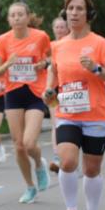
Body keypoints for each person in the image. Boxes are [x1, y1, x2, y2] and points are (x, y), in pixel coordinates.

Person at [43, 0, 105, 210]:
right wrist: (49, 90)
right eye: (70, 8)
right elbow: (54, 75)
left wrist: (97, 69)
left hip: (95, 115)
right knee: (66, 161)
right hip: (68, 113)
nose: (74, 13)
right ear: (64, 13)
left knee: (91, 169)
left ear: (89, 14)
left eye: (79, 9)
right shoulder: (58, 46)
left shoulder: (99, 43)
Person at [0, 2, 52, 203]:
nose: (17, 18)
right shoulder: (2, 40)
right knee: (18, 146)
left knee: (28, 143)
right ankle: (30, 187)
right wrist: (8, 64)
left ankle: (39, 164)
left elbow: (52, 58)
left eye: (20, 14)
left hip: (35, 92)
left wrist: (44, 63)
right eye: (13, 15)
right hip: (13, 93)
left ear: (27, 17)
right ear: (9, 20)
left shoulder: (40, 36)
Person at [48, 16, 70, 172]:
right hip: (53, 90)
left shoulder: (71, 44)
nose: (60, 30)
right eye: (57, 27)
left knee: (70, 122)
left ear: (67, 29)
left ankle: (69, 156)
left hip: (69, 88)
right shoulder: (49, 46)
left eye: (62, 27)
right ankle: (57, 156)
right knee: (55, 122)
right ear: (53, 29)